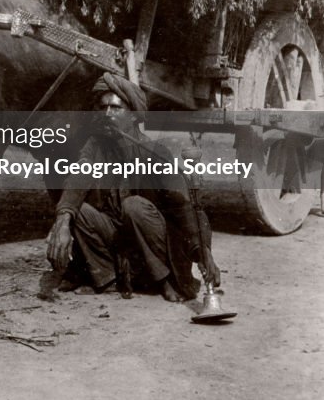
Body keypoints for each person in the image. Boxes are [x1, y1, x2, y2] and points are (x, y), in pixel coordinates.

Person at [45, 73, 220, 301]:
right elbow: (79, 177)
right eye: (103, 107)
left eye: (116, 109)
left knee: (134, 206)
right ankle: (108, 278)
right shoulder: (95, 146)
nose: (108, 114)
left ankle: (163, 280)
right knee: (77, 211)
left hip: (153, 242)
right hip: (119, 236)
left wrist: (202, 250)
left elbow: (184, 207)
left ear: (133, 115)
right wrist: (63, 220)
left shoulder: (154, 152)